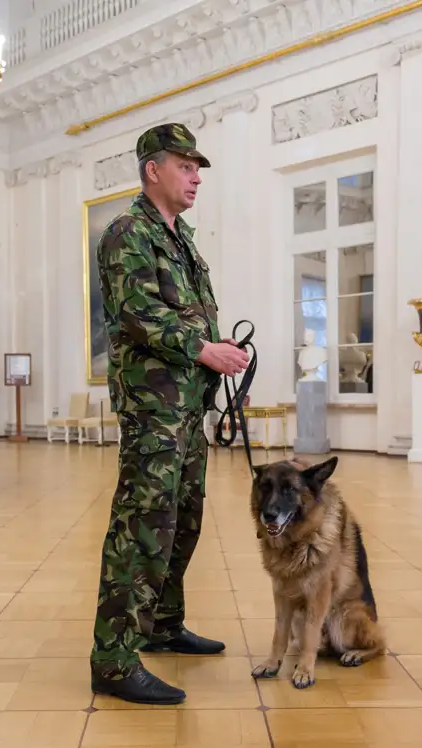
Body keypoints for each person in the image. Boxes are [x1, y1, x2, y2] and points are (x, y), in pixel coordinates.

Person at [90, 123, 250, 705]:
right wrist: (203, 350)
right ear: (152, 169)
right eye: (185, 166)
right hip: (153, 408)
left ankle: (161, 625)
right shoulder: (127, 233)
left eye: (197, 167)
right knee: (142, 527)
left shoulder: (181, 238)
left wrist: (221, 365)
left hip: (187, 407)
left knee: (183, 519)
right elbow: (140, 313)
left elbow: (197, 316)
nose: (196, 176)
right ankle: (111, 659)